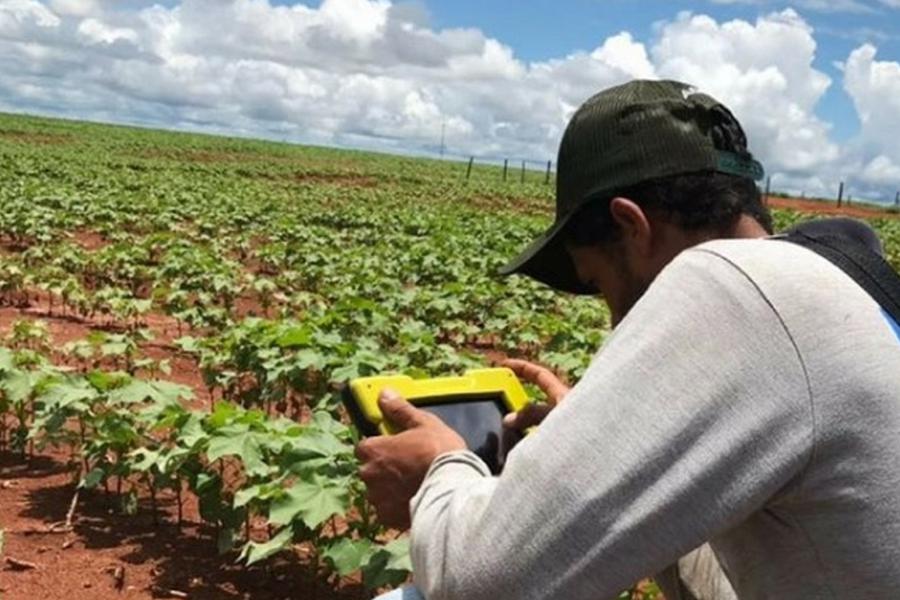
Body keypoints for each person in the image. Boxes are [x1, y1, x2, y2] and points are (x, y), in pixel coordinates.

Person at [355, 79, 900, 599]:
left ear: (632, 225)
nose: (616, 321)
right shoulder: (839, 281)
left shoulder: (735, 283)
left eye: (600, 285)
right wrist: (616, 457)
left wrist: (440, 469)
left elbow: (478, 584)